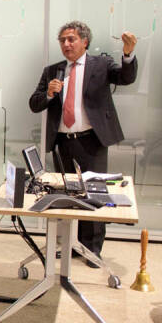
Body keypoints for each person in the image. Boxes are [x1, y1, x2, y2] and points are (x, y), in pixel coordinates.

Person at [29, 21, 138, 259]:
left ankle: (92, 249)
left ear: (84, 41)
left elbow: (125, 78)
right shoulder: (53, 70)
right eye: (62, 40)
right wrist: (48, 93)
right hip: (62, 142)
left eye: (71, 39)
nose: (66, 44)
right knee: (68, 196)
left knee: (93, 195)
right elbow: (34, 103)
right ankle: (72, 244)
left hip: (92, 140)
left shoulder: (101, 64)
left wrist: (128, 55)